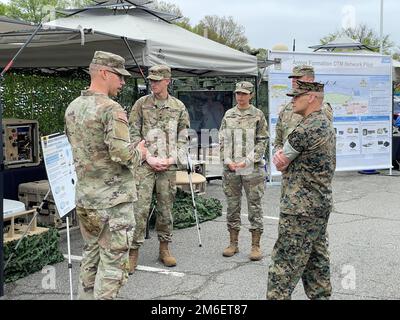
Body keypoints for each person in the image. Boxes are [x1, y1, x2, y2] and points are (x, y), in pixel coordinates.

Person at [64, 51, 147, 300]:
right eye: (119, 77)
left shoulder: (73, 107)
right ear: (104, 73)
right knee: (112, 267)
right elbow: (122, 155)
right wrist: (140, 151)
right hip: (113, 204)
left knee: (91, 257)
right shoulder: (111, 109)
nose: (122, 83)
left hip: (86, 200)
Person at [266, 80, 336, 300]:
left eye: (297, 96)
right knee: (316, 261)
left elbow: (280, 162)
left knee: (284, 266)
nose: (293, 100)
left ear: (312, 97)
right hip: (319, 205)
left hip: (300, 209)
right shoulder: (325, 123)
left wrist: (283, 160)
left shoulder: (306, 127)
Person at [128, 64, 190, 271]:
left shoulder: (179, 106)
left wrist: (172, 159)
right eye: (151, 80)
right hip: (145, 165)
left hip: (168, 165)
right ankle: (133, 251)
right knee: (139, 209)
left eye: (156, 80)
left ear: (167, 81)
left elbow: (184, 136)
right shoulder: (141, 104)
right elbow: (133, 133)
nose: (152, 83)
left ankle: (165, 248)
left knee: (165, 209)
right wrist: (147, 157)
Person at [219, 81, 269, 261]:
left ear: (251, 95)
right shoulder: (228, 114)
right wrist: (227, 160)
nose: (240, 97)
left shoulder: (257, 115)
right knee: (232, 206)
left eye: (244, 94)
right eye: (238, 94)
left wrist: (247, 161)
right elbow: (222, 139)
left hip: (252, 169)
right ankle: (233, 243)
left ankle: (255, 246)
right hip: (231, 169)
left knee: (254, 206)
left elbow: (262, 141)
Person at [273, 65, 333, 155]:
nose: (293, 80)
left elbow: (322, 141)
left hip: (309, 165)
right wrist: (278, 155)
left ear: (310, 81)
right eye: (293, 77)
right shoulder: (286, 109)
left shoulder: (321, 108)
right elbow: (278, 141)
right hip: (287, 166)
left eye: (298, 77)